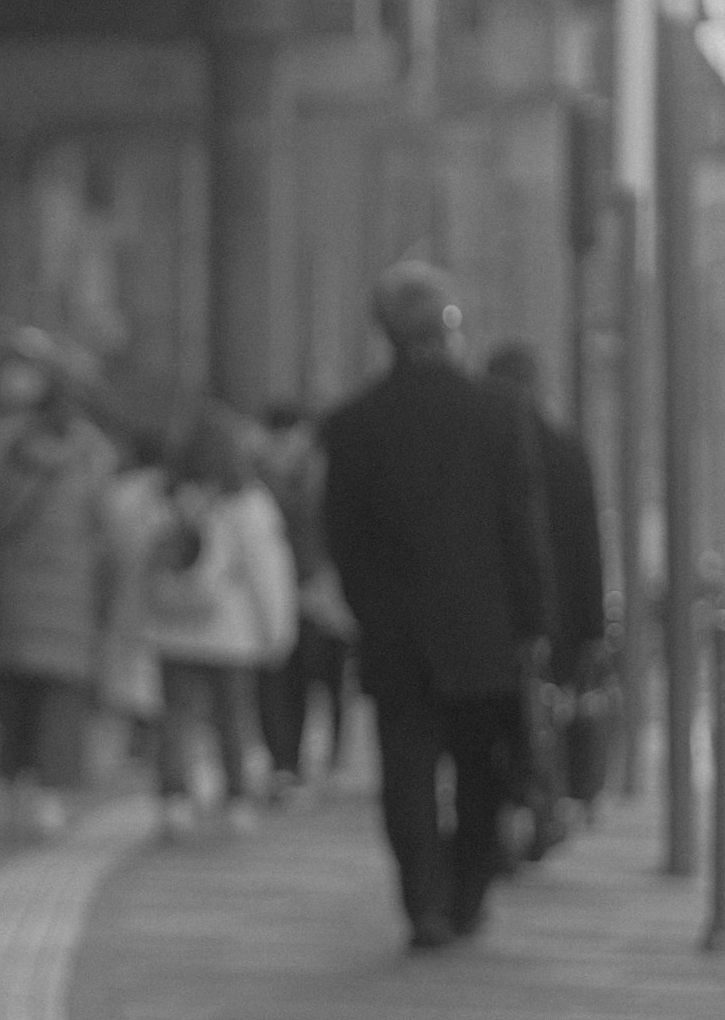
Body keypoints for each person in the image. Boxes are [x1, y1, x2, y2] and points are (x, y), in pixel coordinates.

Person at [322, 262, 551, 950]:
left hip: (397, 637)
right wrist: (533, 620)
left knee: (407, 771)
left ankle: (423, 900)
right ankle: (467, 895)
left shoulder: (355, 422)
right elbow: (522, 527)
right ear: (450, 325)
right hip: (485, 633)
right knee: (481, 770)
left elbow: (343, 536)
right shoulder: (498, 410)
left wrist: (371, 611)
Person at [0, 334, 121, 834]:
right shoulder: (92, 455)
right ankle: (51, 794)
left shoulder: (7, 449)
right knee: (62, 697)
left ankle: (16, 783)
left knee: (16, 693)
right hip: (72, 597)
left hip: (15, 591)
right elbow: (107, 532)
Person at [139, 410, 298, 838]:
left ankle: (174, 800)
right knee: (233, 718)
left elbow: (146, 561)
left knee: (176, 718)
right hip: (231, 632)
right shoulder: (247, 502)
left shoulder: (164, 496)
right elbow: (267, 573)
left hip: (172, 627)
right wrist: (277, 631)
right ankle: (236, 800)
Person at [483, 342, 610, 856]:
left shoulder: (481, 454)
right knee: (547, 718)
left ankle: (516, 808)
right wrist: (593, 630)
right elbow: (587, 549)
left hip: (497, 617)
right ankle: (543, 806)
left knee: (501, 725)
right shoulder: (565, 450)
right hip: (558, 617)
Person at [253, 405, 353, 795]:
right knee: (313, 678)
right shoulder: (321, 476)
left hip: (307, 591)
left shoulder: (269, 473)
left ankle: (290, 760)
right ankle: (300, 760)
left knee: (296, 678)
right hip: (317, 591)